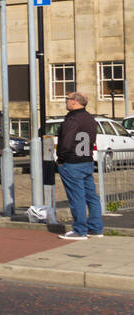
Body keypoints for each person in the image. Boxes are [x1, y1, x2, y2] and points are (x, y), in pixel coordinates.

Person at [56, 92, 103, 240]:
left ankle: (79, 230)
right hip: (87, 161)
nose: (66, 101)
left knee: (77, 197)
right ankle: (96, 228)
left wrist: (60, 159)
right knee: (91, 197)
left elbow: (66, 142)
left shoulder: (72, 119)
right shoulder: (90, 118)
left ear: (75, 101)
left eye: (67, 99)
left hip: (72, 163)